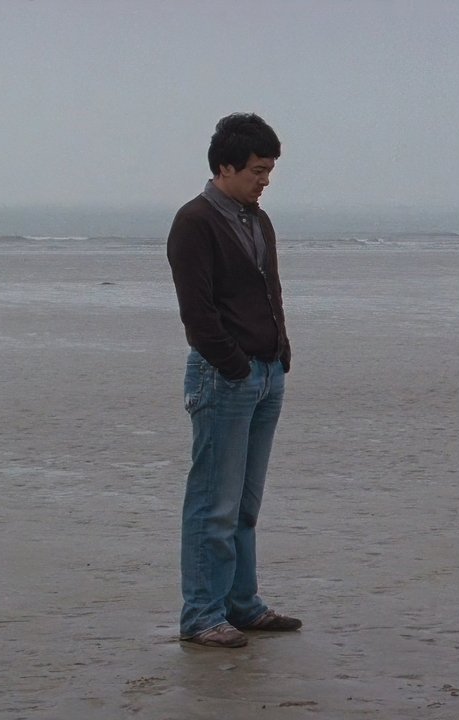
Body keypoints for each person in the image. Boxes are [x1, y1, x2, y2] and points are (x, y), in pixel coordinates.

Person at [167, 113, 301, 648]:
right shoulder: (195, 222)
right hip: (225, 376)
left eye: (269, 170)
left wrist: (280, 353)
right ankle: (201, 614)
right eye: (256, 170)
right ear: (225, 166)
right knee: (212, 504)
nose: (264, 179)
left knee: (245, 505)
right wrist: (235, 365)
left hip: (266, 374)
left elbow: (271, 291)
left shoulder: (256, 218)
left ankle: (242, 605)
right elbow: (197, 314)